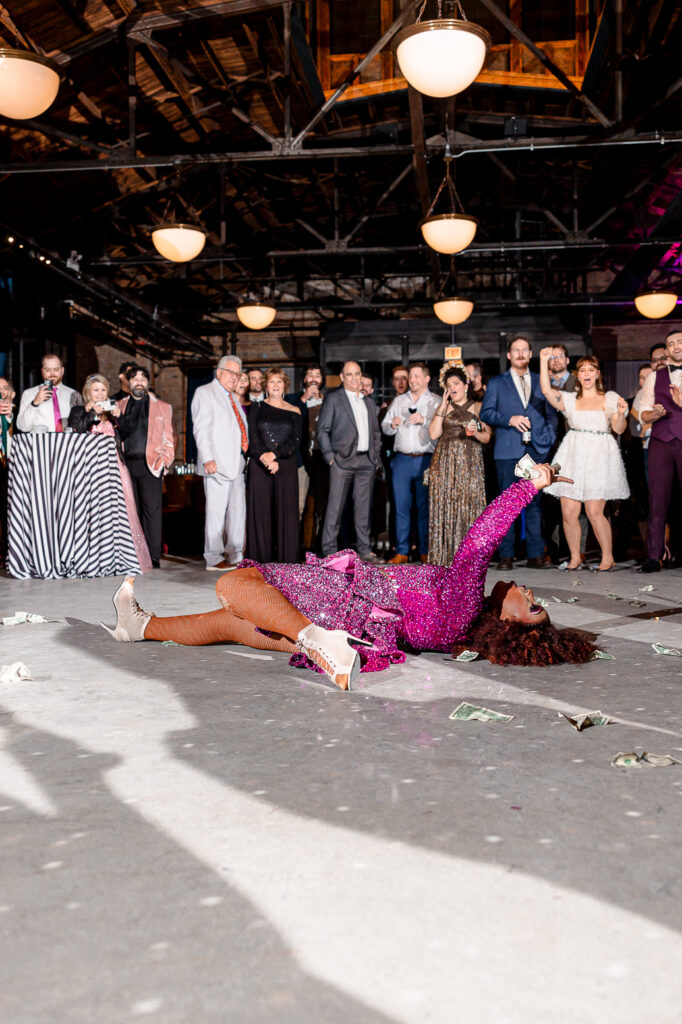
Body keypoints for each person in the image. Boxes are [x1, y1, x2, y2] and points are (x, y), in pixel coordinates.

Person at [101, 465, 596, 692]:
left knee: (235, 586)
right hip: (363, 634)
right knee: (234, 622)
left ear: (508, 624)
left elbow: (481, 540)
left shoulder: (466, 604)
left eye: (532, 606)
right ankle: (140, 625)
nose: (530, 593)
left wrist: (531, 485)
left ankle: (317, 639)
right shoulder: (460, 632)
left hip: (343, 604)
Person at [539, 350, 629, 572]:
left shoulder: (609, 397)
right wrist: (543, 362)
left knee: (594, 511)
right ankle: (574, 557)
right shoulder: (570, 399)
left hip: (599, 456)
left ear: (597, 374)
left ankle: (608, 557)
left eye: (591, 369)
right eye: (582, 370)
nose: (587, 373)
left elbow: (618, 428)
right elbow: (546, 391)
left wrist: (621, 413)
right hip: (573, 454)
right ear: (577, 375)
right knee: (568, 512)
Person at [480, 335, 558, 569]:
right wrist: (509, 419)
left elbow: (552, 415)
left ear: (531, 354)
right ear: (509, 355)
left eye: (525, 349)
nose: (521, 353)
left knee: (535, 504)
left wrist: (549, 438)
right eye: (516, 350)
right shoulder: (496, 383)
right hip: (507, 451)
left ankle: (535, 554)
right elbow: (486, 414)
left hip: (536, 450)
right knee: (507, 505)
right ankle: (506, 554)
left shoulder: (541, 380)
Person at [68, 374, 152, 572]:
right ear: (87, 393)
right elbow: (73, 432)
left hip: (114, 466)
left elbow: (130, 431)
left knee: (118, 510)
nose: (100, 394)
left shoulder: (112, 412)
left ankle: (119, 554)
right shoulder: (78, 410)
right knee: (91, 510)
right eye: (95, 390)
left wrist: (119, 416)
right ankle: (90, 555)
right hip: (89, 468)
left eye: (103, 390)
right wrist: (90, 414)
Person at [427, 364, 491, 564]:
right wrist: (442, 406)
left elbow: (488, 437)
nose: (452, 387)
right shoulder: (443, 408)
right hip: (444, 462)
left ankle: (469, 557)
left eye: (455, 383)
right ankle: (443, 557)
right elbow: (433, 434)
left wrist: (476, 433)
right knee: (445, 507)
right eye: (448, 385)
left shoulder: (478, 406)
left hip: (470, 463)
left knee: (468, 506)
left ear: (465, 385)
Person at [318, 360, 381, 560]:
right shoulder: (334, 399)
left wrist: (375, 458)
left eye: (357, 374)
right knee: (334, 509)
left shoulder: (369, 402)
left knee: (363, 510)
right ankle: (329, 550)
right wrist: (330, 458)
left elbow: (376, 434)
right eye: (350, 374)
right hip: (341, 461)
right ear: (343, 377)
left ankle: (364, 550)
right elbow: (322, 431)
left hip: (366, 462)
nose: (354, 378)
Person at [191, 355, 248, 571]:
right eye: (230, 372)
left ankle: (236, 554)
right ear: (219, 372)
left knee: (237, 512)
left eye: (237, 374)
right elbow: (201, 427)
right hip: (216, 464)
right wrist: (208, 458)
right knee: (216, 514)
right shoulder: (205, 392)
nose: (234, 377)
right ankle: (214, 557)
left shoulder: (232, 397)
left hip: (237, 464)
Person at [381, 361, 440, 564]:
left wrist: (425, 420)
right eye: (410, 376)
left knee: (424, 509)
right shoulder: (399, 401)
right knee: (401, 507)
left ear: (426, 379)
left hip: (425, 459)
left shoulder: (436, 401)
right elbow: (385, 427)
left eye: (416, 376)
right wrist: (392, 425)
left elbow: (442, 431)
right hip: (402, 460)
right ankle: (403, 551)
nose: (412, 380)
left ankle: (424, 550)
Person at [117, 365, 175, 569]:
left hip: (151, 464)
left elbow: (169, 438)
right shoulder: (119, 405)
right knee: (130, 512)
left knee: (152, 512)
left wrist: (164, 463)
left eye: (143, 378)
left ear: (149, 383)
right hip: (125, 465)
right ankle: (134, 556)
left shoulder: (163, 406)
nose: (139, 381)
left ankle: (153, 556)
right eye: (135, 378)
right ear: (128, 382)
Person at [637, 329, 682, 572]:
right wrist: (653, 414)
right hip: (661, 440)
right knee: (657, 498)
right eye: (671, 343)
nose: (676, 346)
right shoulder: (655, 377)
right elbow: (643, 413)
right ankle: (654, 556)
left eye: (680, 342)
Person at [246, 368, 302, 564]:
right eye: (272, 382)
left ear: (285, 385)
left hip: (286, 466)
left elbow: (295, 441)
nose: (276, 385)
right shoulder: (257, 408)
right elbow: (252, 437)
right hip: (259, 467)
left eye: (279, 382)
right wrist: (265, 457)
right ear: (266, 386)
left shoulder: (294, 410)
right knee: (260, 514)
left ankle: (286, 563)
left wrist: (274, 455)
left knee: (286, 515)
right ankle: (259, 563)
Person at [287, 364, 327, 536]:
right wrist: (304, 399)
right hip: (300, 460)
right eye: (310, 374)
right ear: (304, 379)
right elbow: (289, 421)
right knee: (298, 506)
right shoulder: (292, 399)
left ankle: (318, 547)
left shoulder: (329, 401)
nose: (313, 378)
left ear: (322, 380)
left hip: (323, 461)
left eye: (317, 375)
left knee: (322, 506)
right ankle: (293, 547)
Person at [16, 353, 83, 433]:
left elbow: (82, 426)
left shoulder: (74, 394)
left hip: (67, 443)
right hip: (40, 443)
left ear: (62, 371)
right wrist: (35, 402)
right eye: (47, 370)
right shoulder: (29, 393)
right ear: (42, 371)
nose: (52, 373)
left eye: (56, 369)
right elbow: (23, 427)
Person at [0, 377, 15, 564]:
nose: (1, 391)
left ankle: (6, 551)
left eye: (4, 388)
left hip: (8, 464)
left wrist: (9, 417)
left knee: (6, 509)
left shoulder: (15, 413)